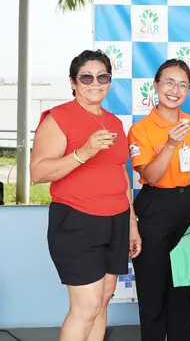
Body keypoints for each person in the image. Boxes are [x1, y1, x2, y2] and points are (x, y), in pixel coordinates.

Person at [30, 49, 142, 341]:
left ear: (109, 80)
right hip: (77, 221)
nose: (95, 82)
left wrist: (132, 223)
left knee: (103, 299)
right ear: (73, 82)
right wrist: (84, 152)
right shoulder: (58, 118)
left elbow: (121, 174)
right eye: (86, 77)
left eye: (102, 76)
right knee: (87, 306)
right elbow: (38, 172)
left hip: (116, 219)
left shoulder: (114, 122)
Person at [129, 59, 190, 341]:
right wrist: (171, 145)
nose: (175, 90)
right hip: (155, 205)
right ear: (156, 85)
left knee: (185, 284)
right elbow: (150, 176)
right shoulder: (140, 129)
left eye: (183, 85)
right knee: (153, 286)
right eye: (169, 83)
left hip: (189, 204)